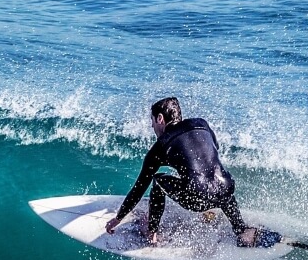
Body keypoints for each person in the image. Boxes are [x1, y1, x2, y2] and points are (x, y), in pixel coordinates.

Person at [104, 97, 260, 247]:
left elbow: (139, 188)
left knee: (158, 180)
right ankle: (242, 230)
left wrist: (118, 218)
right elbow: (213, 149)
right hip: (227, 190)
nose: (152, 127)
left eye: (152, 121)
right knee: (216, 178)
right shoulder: (201, 124)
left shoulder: (162, 144)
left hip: (198, 199)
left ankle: (152, 232)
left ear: (160, 118)